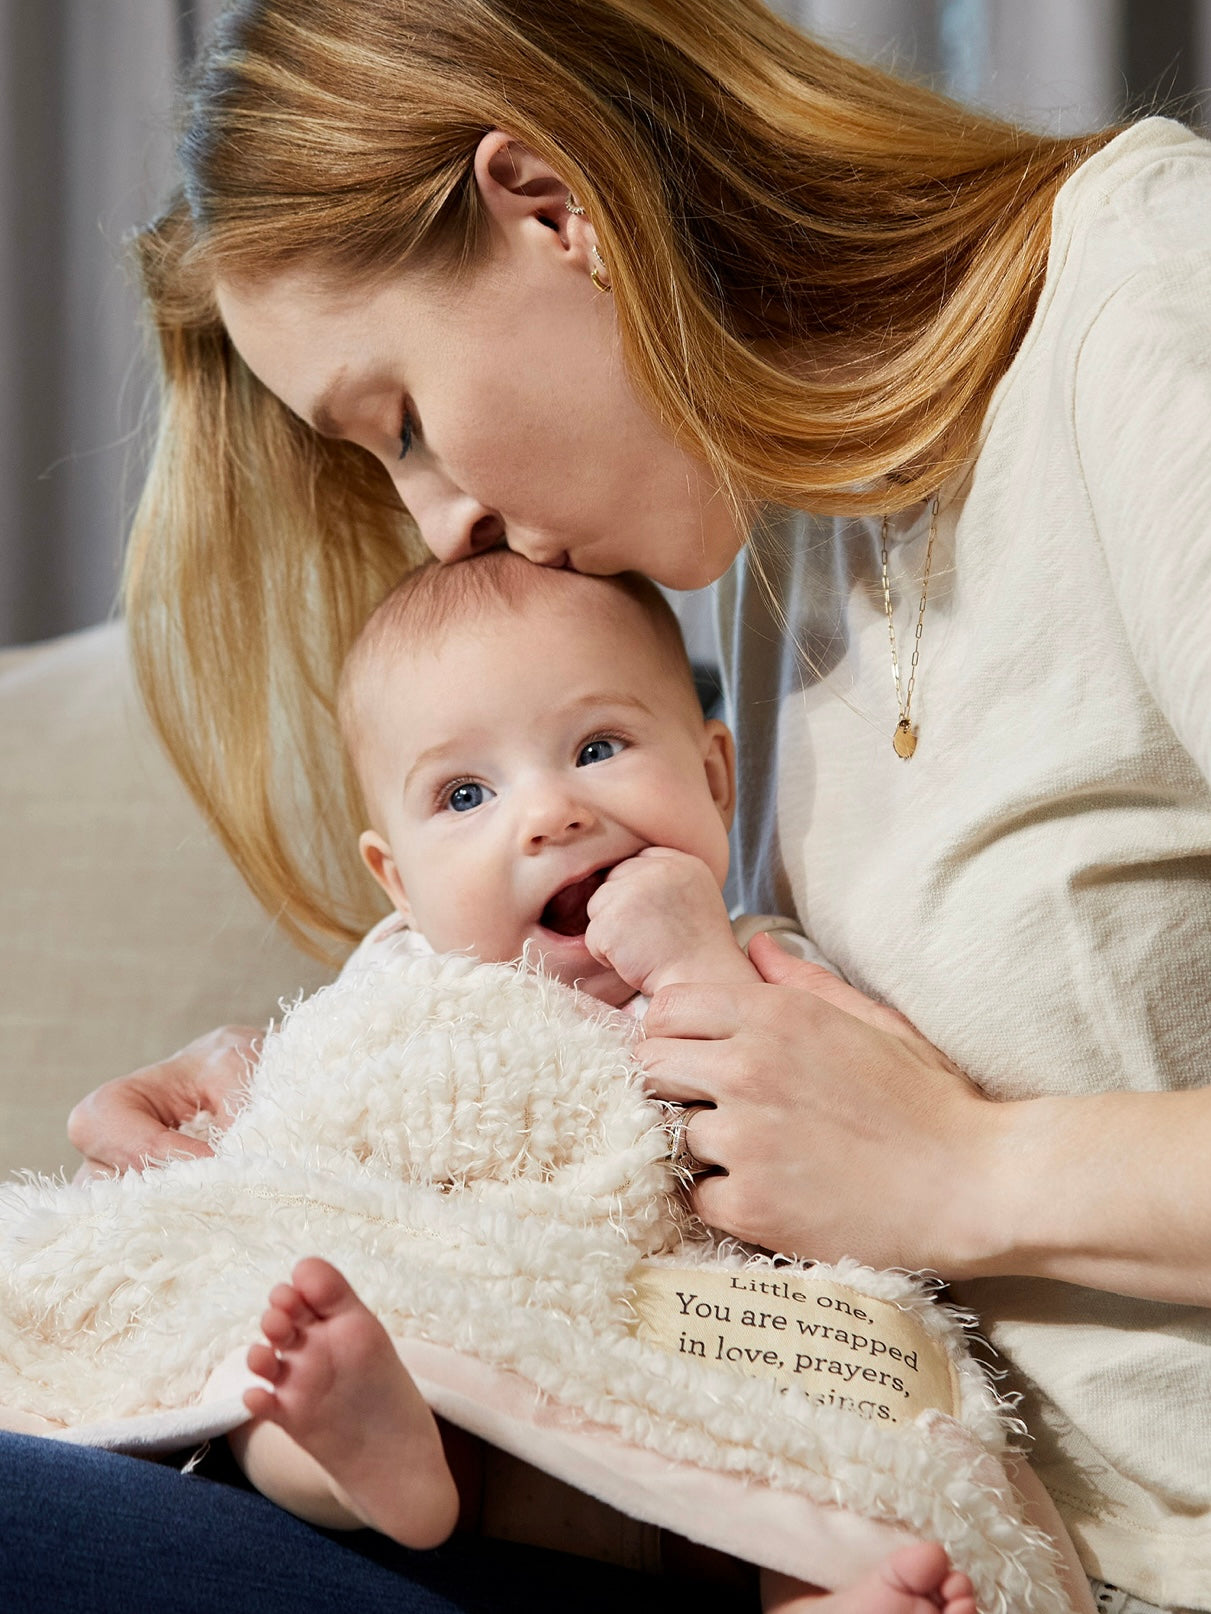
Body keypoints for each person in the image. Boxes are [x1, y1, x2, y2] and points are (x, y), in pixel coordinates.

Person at [5, 0, 1203, 1609]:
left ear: (552, 207)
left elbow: (894, 1154)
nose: (440, 525)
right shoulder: (801, 542)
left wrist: (970, 1170)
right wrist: (302, 1095)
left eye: (404, 424)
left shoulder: (1144, 301)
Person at [226, 548, 978, 1614]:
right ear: (395, 877)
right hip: (485, 1396)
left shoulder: (765, 959)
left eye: (596, 746)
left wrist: (688, 962)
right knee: (264, 1366)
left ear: (714, 778)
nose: (548, 814)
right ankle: (370, 1458)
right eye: (465, 793)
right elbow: (321, 1137)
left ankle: (819, 1597)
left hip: (707, 1394)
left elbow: (843, 1123)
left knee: (858, 1433)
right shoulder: (402, 989)